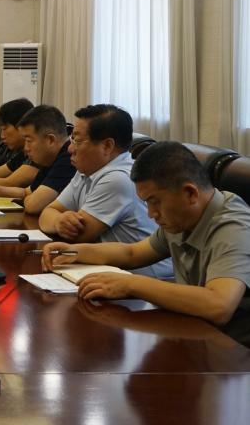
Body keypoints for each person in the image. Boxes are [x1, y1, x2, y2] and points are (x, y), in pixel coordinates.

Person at [42, 141, 250, 347]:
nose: (151, 214)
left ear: (190, 193)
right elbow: (132, 253)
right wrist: (74, 251)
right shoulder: (184, 217)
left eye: (154, 201)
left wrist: (131, 284)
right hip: (196, 334)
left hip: (233, 351)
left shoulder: (233, 226)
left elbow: (219, 306)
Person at [38, 105, 172, 278]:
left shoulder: (118, 179)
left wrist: (58, 222)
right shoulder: (87, 169)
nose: (70, 148)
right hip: (109, 270)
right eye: (72, 139)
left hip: (144, 279)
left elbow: (78, 236)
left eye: (77, 141)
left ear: (107, 146)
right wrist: (58, 221)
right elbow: (47, 213)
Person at [0, 104, 76, 214]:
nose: (26, 148)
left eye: (29, 141)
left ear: (50, 140)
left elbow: (34, 205)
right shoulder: (49, 159)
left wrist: (30, 198)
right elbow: (27, 192)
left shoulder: (68, 158)